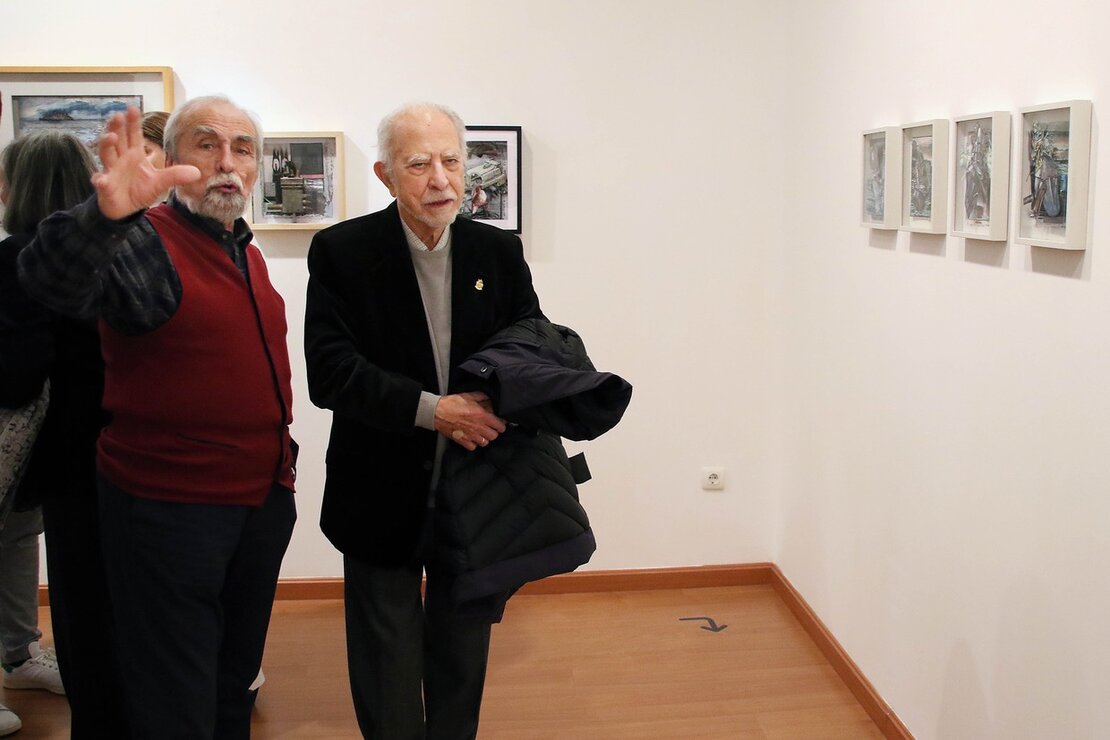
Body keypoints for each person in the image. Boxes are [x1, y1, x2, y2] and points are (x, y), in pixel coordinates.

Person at [18, 97, 298, 740]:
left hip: (255, 499)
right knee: (175, 694)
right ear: (173, 159)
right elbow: (49, 279)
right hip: (173, 508)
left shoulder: (242, 249)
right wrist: (103, 216)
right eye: (207, 144)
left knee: (233, 681)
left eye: (243, 148)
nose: (227, 163)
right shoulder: (146, 239)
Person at [304, 101, 544, 739]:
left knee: (463, 646)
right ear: (385, 175)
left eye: (452, 161)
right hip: (378, 485)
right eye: (418, 164)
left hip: (476, 486)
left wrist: (503, 397)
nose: (439, 179)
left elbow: (529, 343)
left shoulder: (498, 251)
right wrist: (433, 411)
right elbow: (330, 373)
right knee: (387, 656)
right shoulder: (341, 252)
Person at [0, 132, 80, 738]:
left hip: (42, 441)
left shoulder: (24, 258)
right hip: (22, 434)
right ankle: (18, 651)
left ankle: (19, 652)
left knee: (20, 535)